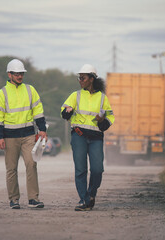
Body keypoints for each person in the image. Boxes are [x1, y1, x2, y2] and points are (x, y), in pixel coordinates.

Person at [0, 59, 47, 209]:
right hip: (10, 137)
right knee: (11, 169)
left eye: (21, 73)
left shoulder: (30, 90)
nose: (20, 76)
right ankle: (14, 199)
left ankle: (33, 199)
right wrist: (0, 137)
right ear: (9, 74)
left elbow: (38, 111)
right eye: (17, 73)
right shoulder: (1, 93)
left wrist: (42, 129)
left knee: (31, 164)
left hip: (28, 135)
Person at [61, 64, 115, 211]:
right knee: (81, 170)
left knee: (97, 170)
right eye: (79, 77)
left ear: (91, 79)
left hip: (96, 138)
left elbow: (110, 117)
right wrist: (68, 110)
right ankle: (83, 200)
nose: (80, 80)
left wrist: (102, 120)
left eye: (83, 77)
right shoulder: (75, 95)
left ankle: (91, 194)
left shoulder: (103, 98)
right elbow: (64, 113)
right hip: (79, 136)